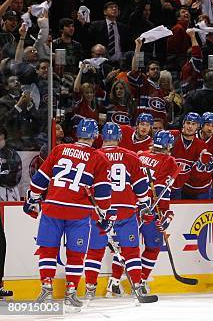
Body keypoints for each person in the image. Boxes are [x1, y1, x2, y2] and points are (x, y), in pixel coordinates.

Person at [23, 119, 112, 310]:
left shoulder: (59, 149)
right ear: (96, 136)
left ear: (77, 133)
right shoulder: (99, 158)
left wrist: (32, 199)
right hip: (78, 213)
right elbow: (103, 195)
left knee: (48, 249)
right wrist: (106, 215)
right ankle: (71, 290)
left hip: (52, 208)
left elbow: (39, 180)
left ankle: (46, 286)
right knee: (76, 254)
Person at [83, 122, 152, 301]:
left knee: (95, 250)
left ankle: (90, 287)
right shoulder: (130, 156)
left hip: (100, 211)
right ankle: (137, 286)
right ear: (120, 138)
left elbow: (85, 186)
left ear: (102, 137)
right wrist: (145, 204)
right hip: (126, 211)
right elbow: (141, 187)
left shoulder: (93, 155)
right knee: (131, 250)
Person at [137, 130, 180, 294]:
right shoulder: (170, 162)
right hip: (151, 210)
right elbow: (163, 191)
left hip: (132, 207)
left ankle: (114, 283)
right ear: (169, 146)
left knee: (127, 247)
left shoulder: (140, 154)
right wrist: (166, 212)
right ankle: (141, 281)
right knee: (153, 247)